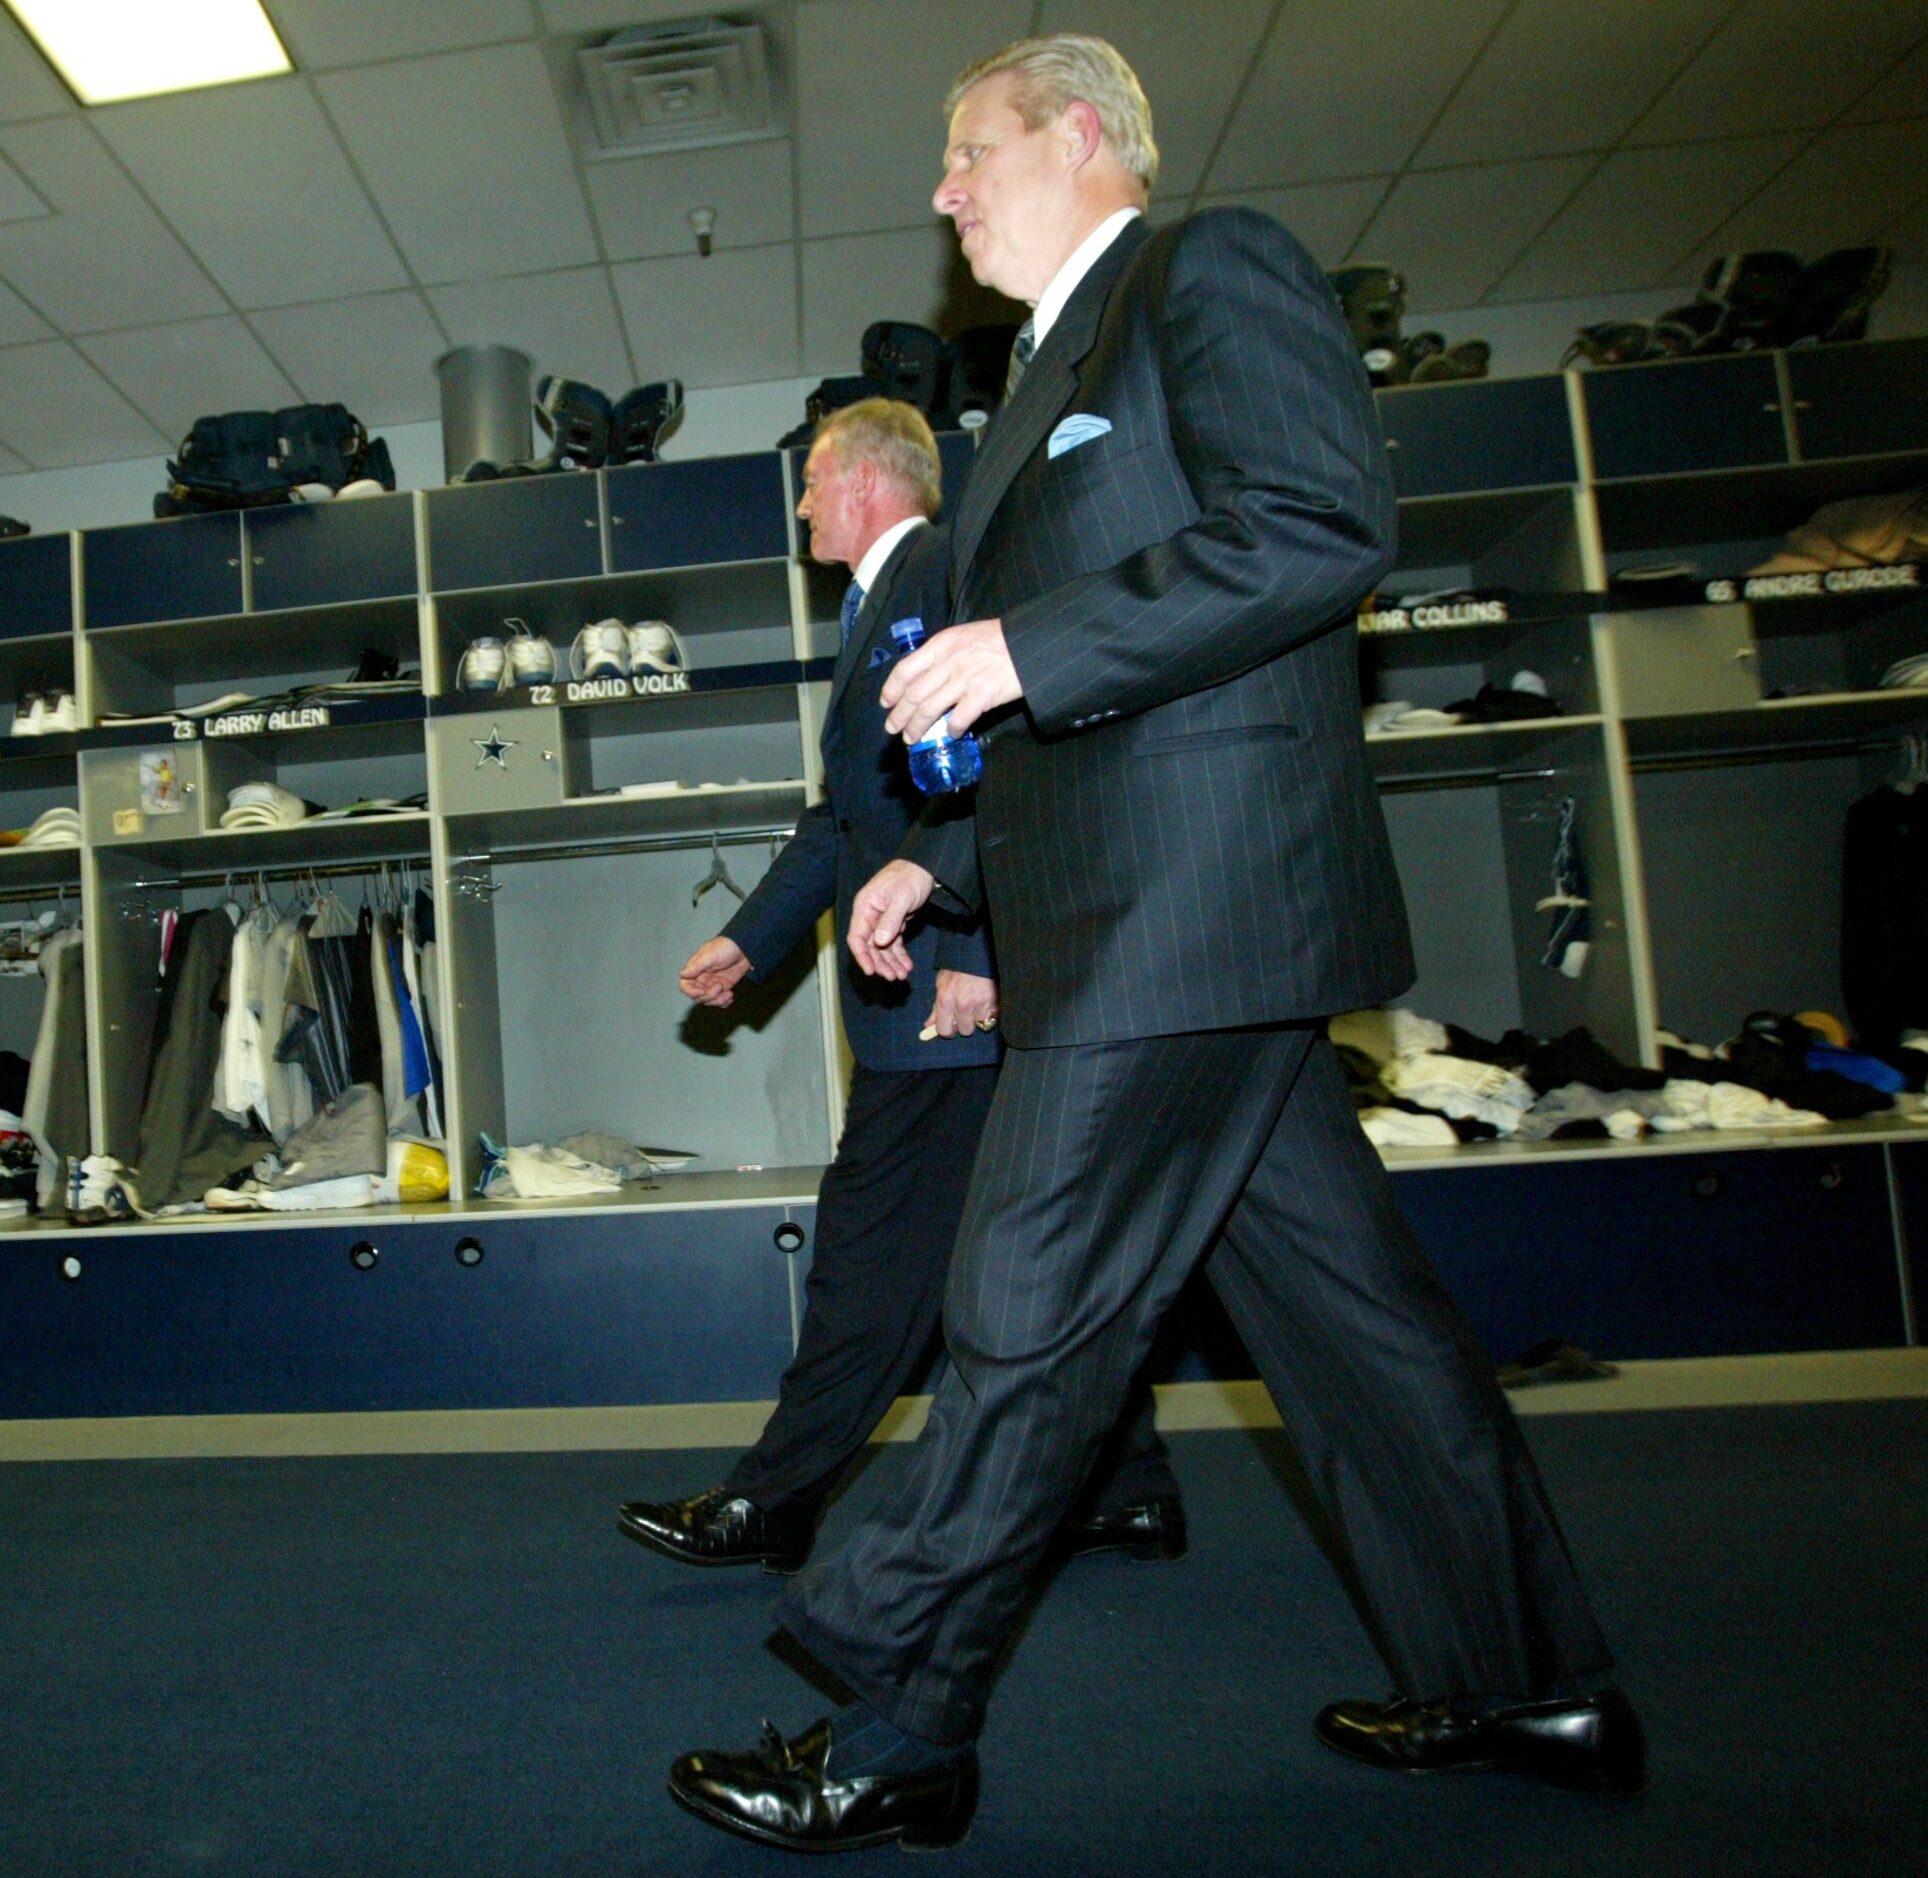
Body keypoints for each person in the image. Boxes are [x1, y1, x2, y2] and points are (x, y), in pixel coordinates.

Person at [667, 36, 1636, 1855]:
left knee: (1023, 1300)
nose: (943, 193)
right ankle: (1534, 1679)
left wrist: (1030, 648)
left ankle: (898, 1723)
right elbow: (1065, 722)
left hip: (1191, 909)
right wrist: (939, 876)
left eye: (968, 151)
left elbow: (1317, 527)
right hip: (1158, 914)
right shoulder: (1022, 386)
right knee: (1362, 1336)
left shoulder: (1206, 271)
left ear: (1084, 135)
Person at [620, 399, 1185, 1579]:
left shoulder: (939, 566)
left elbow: (1003, 755)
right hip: (934, 980)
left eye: (812, 484)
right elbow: (842, 817)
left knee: (873, 1253)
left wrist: (977, 948)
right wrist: (751, 939)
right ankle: (1125, 1485)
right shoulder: (877, 600)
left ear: (866, 483)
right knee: (1030, 1251)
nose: (802, 505)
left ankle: (774, 1500)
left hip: (944, 989)